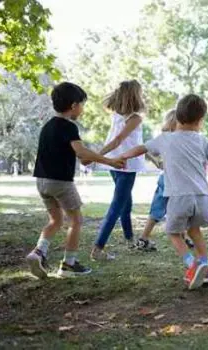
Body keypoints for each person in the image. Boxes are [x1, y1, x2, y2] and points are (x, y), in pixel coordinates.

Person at [121, 94, 208, 289]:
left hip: (179, 196)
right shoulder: (203, 140)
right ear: (200, 121)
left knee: (173, 232)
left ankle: (192, 265)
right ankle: (205, 266)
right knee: (194, 230)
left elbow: (141, 148)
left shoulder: (165, 139)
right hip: (202, 197)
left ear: (177, 118)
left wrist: (123, 156)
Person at [26, 82, 125, 278]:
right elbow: (80, 152)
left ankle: (38, 252)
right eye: (82, 104)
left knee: (55, 220)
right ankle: (69, 264)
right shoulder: (69, 127)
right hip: (61, 183)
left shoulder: (47, 126)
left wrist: (89, 158)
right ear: (73, 106)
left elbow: (72, 153)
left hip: (42, 182)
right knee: (76, 220)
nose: (82, 108)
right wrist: (109, 161)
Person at [88, 80, 147, 261]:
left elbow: (135, 142)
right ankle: (98, 248)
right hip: (125, 164)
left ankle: (130, 240)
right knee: (117, 206)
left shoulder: (117, 115)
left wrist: (100, 156)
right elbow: (118, 141)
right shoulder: (135, 118)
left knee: (125, 204)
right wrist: (95, 155)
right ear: (135, 95)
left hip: (114, 163)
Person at [135, 110, 194, 252]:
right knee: (179, 208)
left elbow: (146, 149)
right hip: (175, 180)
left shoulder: (164, 138)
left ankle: (144, 238)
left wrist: (157, 161)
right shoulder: (184, 139)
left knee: (157, 209)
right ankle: (182, 237)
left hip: (166, 177)